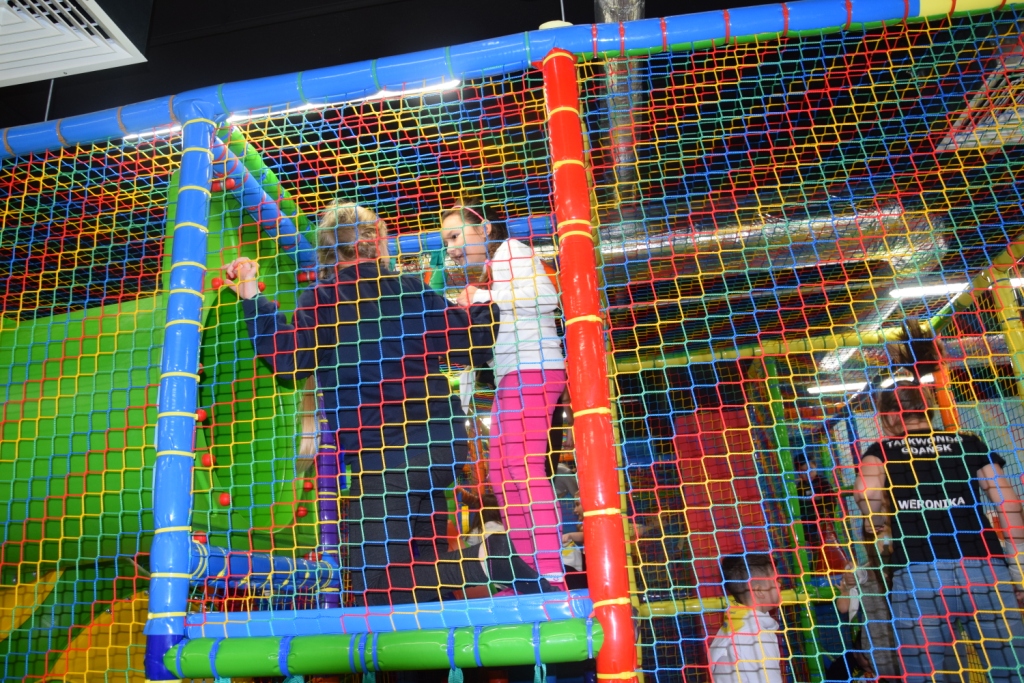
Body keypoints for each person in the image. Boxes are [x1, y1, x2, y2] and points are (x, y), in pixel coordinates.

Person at [226, 201, 548, 605]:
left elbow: (287, 359)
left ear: (329, 250)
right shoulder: (409, 289)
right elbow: (471, 339)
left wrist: (252, 295)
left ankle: (487, 561)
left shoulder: (325, 299)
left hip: (383, 453)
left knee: (375, 585)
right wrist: (489, 303)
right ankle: (451, 614)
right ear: (377, 242)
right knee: (422, 567)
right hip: (438, 447)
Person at [854, 381, 1024, 681]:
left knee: (924, 673)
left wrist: (873, 519)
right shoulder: (967, 442)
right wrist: (1019, 567)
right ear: (928, 409)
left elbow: (866, 492)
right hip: (983, 569)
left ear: (891, 415)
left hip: (920, 573)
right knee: (1012, 668)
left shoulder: (881, 451)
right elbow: (1008, 503)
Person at [440, 199, 568, 587]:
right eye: (446, 242)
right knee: (501, 474)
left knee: (522, 469)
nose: (451, 248)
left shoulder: (512, 251)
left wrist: (485, 299)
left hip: (534, 367)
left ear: (484, 229)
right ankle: (527, 570)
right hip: (512, 374)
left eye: (454, 236)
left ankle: (549, 569)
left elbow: (546, 298)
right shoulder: (493, 272)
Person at [708, 554, 786, 683]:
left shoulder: (738, 622)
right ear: (759, 591)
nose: (779, 584)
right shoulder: (755, 638)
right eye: (775, 580)